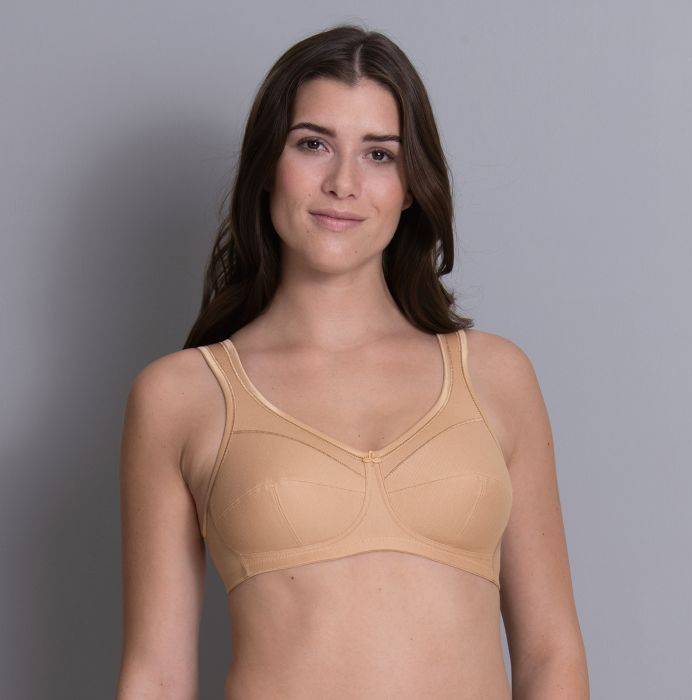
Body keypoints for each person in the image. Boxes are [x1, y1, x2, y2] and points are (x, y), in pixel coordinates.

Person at [116, 24, 589, 699]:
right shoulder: (182, 396)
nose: (343, 183)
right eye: (313, 144)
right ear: (267, 166)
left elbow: (551, 654)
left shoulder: (495, 377)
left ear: (411, 185)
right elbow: (156, 676)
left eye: (379, 154)